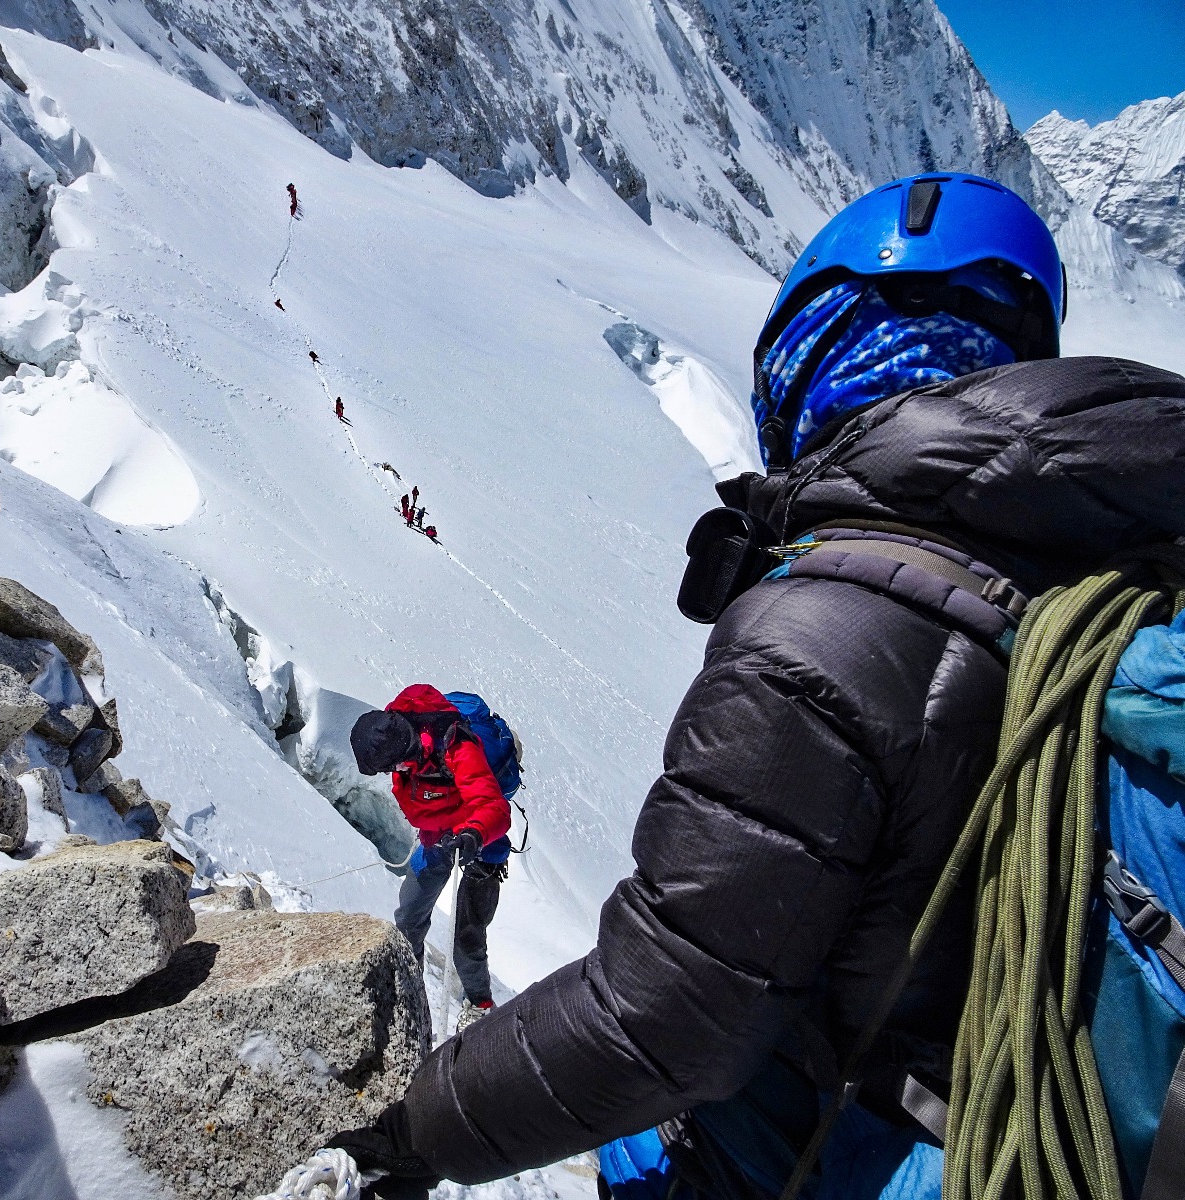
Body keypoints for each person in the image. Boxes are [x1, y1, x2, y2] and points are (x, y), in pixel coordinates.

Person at [325, 173, 1185, 1196]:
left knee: (644, 1150)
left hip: (831, 1155)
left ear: (813, 356)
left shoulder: (831, 627)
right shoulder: (1098, 577)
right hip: (1034, 1130)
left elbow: (665, 1013)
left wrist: (407, 1139)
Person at [350, 686, 512, 1021]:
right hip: (438, 837)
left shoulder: (458, 747)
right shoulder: (402, 744)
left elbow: (494, 807)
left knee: (467, 937)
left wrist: (473, 835)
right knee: (408, 917)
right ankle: (409, 991)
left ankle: (480, 1005)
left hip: (482, 841)